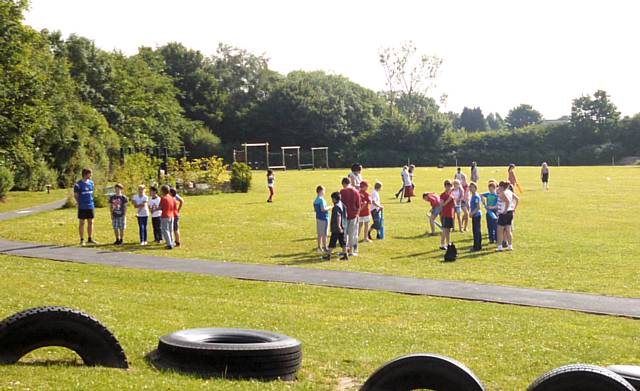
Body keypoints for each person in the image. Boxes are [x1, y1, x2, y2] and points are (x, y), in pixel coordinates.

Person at [74, 168, 97, 246]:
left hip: (90, 205)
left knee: (91, 222)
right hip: (82, 207)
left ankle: (90, 238)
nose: (91, 175)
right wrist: (79, 203)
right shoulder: (78, 184)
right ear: (85, 174)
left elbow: (92, 193)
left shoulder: (91, 183)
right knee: (82, 222)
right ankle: (82, 239)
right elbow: (76, 195)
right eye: (90, 174)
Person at [340, 177, 361, 256]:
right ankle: (351, 251)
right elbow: (358, 205)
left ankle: (344, 250)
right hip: (353, 215)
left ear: (344, 183)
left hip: (344, 216)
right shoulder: (356, 192)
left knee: (344, 234)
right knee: (352, 233)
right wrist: (357, 214)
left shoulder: (342, 192)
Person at [496, 181, 519, 251]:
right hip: (510, 213)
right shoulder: (509, 191)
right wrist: (514, 208)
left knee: (500, 230)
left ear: (502, 187)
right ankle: (510, 246)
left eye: (499, 187)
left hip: (504, 214)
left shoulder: (502, 193)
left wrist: (505, 210)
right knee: (508, 230)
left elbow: (507, 202)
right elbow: (517, 199)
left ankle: (500, 247)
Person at [325, 192, 348, 261]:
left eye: (332, 199)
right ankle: (345, 255)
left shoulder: (336, 207)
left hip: (336, 228)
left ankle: (328, 255)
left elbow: (338, 216)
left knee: (332, 242)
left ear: (334, 199)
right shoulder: (343, 205)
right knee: (343, 243)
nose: (332, 200)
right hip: (343, 226)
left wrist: (338, 226)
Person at [313, 185, 331, 253]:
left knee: (319, 234)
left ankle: (319, 247)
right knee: (325, 234)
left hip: (318, 217)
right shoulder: (321, 199)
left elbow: (315, 210)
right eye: (324, 191)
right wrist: (329, 207)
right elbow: (323, 209)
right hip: (324, 218)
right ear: (321, 191)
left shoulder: (316, 200)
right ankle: (325, 247)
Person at [439, 180, 455, 250]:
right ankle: (444, 244)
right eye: (447, 186)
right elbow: (441, 205)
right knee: (445, 230)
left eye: (450, 186)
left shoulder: (452, 194)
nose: (449, 187)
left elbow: (454, 205)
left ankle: (446, 243)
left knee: (448, 230)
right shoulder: (443, 195)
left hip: (451, 214)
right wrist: (449, 199)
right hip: (445, 214)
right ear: (445, 186)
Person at [159, 184, 176, 249]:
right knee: (170, 230)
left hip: (165, 215)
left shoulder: (163, 198)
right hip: (171, 215)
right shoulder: (171, 197)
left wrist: (154, 209)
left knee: (165, 230)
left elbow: (161, 207)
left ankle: (169, 244)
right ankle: (172, 242)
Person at [469, 182, 482, 251]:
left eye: (472, 187)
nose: (470, 188)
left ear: (475, 188)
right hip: (474, 215)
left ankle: (477, 247)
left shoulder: (476, 196)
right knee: (476, 231)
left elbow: (478, 207)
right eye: (470, 187)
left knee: (476, 231)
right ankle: (476, 245)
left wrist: (472, 213)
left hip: (476, 215)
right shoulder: (473, 195)